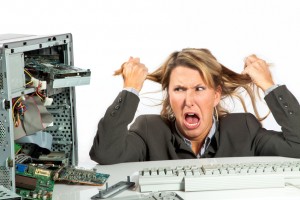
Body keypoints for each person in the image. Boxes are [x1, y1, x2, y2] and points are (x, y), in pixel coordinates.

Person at [89, 48, 300, 165]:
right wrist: (131, 90)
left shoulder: (243, 129)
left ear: (216, 95)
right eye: (179, 89)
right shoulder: (149, 130)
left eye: (199, 89)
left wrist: (269, 85)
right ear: (169, 95)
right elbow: (105, 153)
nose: (189, 100)